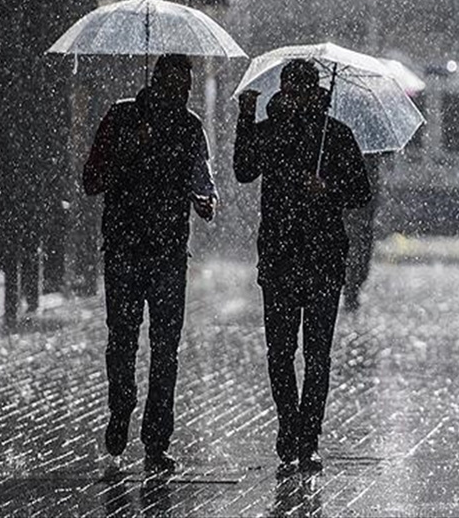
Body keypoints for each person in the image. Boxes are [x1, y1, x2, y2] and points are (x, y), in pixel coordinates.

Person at [234, 60, 372, 474]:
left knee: (317, 354)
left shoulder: (336, 135)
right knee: (280, 352)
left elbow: (361, 192)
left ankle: (308, 437)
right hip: (278, 256)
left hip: (324, 257)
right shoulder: (270, 130)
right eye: (289, 92)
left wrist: (327, 188)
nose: (294, 100)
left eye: (302, 92)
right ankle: (288, 424)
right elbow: (243, 170)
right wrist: (245, 117)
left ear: (316, 93)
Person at [83, 54, 216, 475]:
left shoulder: (190, 127)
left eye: (186, 89)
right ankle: (121, 406)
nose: (180, 95)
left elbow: (204, 184)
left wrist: (204, 202)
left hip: (169, 254)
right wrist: (128, 149)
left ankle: (157, 438)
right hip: (124, 249)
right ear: (156, 82)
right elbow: (91, 180)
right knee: (122, 339)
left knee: (165, 349)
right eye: (174, 86)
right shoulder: (122, 118)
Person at [342, 153, 383, 311]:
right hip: (353, 212)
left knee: (360, 251)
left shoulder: (371, 157)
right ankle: (351, 287)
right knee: (357, 250)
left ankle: (352, 286)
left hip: (362, 213)